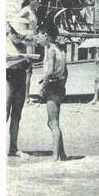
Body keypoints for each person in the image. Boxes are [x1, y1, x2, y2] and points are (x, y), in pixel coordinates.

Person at [35, 22, 68, 161]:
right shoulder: (60, 49)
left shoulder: (51, 50)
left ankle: (55, 157)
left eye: (39, 35)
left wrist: (42, 87)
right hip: (59, 85)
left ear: (46, 35)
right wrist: (62, 84)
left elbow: (49, 71)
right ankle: (62, 154)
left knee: (52, 123)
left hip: (52, 86)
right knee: (54, 122)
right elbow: (66, 71)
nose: (37, 38)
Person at [6, 23, 32, 157]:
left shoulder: (23, 44)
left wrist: (28, 59)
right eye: (17, 34)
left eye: (21, 35)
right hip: (7, 78)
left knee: (16, 116)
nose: (19, 37)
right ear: (11, 31)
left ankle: (13, 147)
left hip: (20, 78)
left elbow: (29, 66)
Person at [18, 0, 39, 105]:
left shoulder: (33, 12)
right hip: (27, 43)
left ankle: (26, 96)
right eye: (37, 0)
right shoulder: (25, 11)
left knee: (29, 71)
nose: (39, 2)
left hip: (32, 43)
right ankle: (25, 98)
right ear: (30, 0)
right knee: (26, 70)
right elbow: (17, 25)